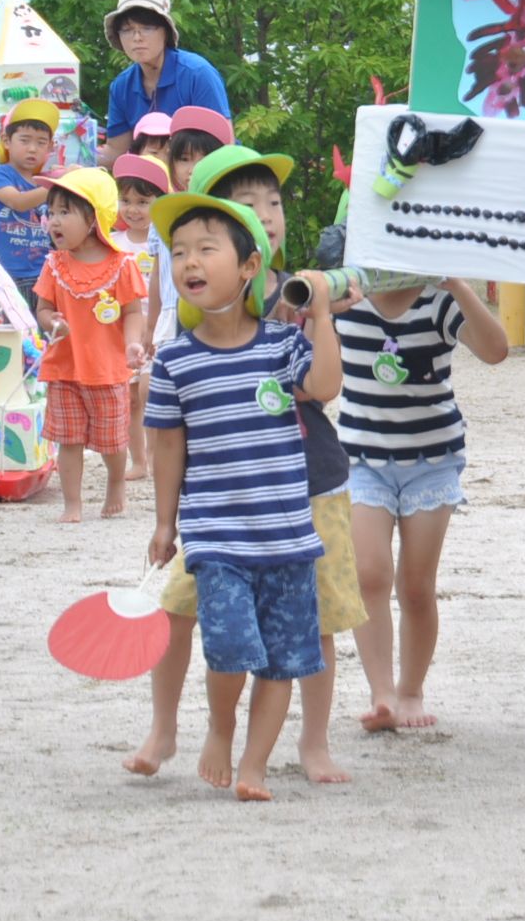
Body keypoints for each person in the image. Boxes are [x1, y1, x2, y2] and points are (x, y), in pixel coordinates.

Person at [125, 147, 363, 785]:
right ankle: (170, 727)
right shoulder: (202, 309)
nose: (266, 213)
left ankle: (311, 743)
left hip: (302, 485)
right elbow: (170, 433)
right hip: (218, 506)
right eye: (247, 202)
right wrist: (163, 519)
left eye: (273, 203)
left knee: (316, 622)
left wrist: (319, 308)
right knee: (183, 612)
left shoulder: (295, 291)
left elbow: (323, 379)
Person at [336, 271, 510, 733]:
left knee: (416, 585)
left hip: (430, 460)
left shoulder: (438, 301)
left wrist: (459, 285)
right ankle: (382, 693)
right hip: (360, 457)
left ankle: (411, 689)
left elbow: (496, 350)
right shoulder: (345, 300)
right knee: (369, 573)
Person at [34, 168, 148, 522]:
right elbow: (42, 308)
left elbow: (132, 312)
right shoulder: (54, 265)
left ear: (94, 218)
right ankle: (72, 503)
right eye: (51, 212)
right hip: (64, 366)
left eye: (65, 212)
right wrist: (52, 322)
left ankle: (116, 483)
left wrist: (132, 344)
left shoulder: (121, 265)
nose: (54, 220)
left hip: (106, 368)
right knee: (68, 439)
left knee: (113, 441)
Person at [99, 0, 231, 159]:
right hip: (150, 181)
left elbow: (224, 145)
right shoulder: (121, 86)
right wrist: (77, 157)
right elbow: (117, 151)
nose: (137, 37)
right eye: (128, 30)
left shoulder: (197, 74)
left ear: (166, 32)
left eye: (147, 28)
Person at [145, 106, 232, 354]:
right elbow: (157, 274)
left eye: (203, 159)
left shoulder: (228, 215)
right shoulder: (163, 211)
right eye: (184, 159)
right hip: (171, 314)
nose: (192, 167)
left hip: (214, 317)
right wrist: (151, 325)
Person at [111, 154, 169, 484]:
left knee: (152, 394)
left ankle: (155, 454)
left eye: (143, 201)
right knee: (130, 399)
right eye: (126, 200)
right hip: (124, 333)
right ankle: (138, 460)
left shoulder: (163, 242)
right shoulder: (114, 244)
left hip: (157, 329)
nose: (133, 209)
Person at [0, 99, 57, 289]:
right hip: (5, 273)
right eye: (24, 140)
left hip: (43, 272)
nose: (33, 148)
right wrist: (59, 184)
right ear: (6, 141)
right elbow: (18, 202)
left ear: (50, 147)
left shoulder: (45, 180)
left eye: (41, 143)